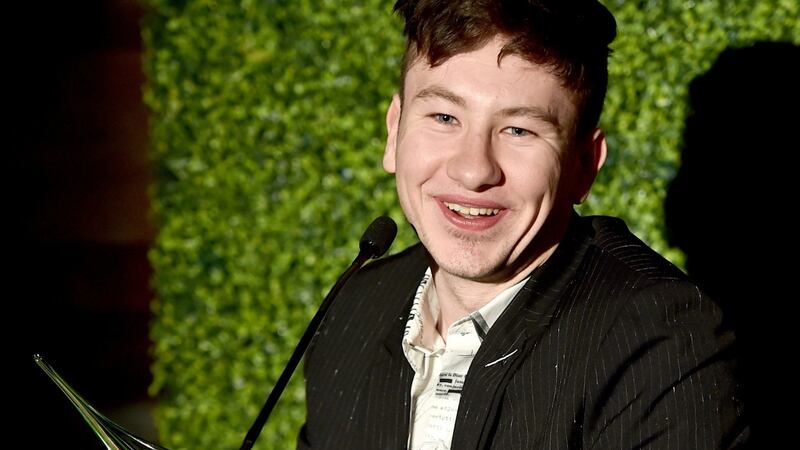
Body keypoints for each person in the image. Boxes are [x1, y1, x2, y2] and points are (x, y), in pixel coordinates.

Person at [299, 1, 747, 448]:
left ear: (584, 165)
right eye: (444, 118)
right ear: (394, 132)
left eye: (519, 130)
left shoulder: (660, 340)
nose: (473, 170)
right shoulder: (354, 308)